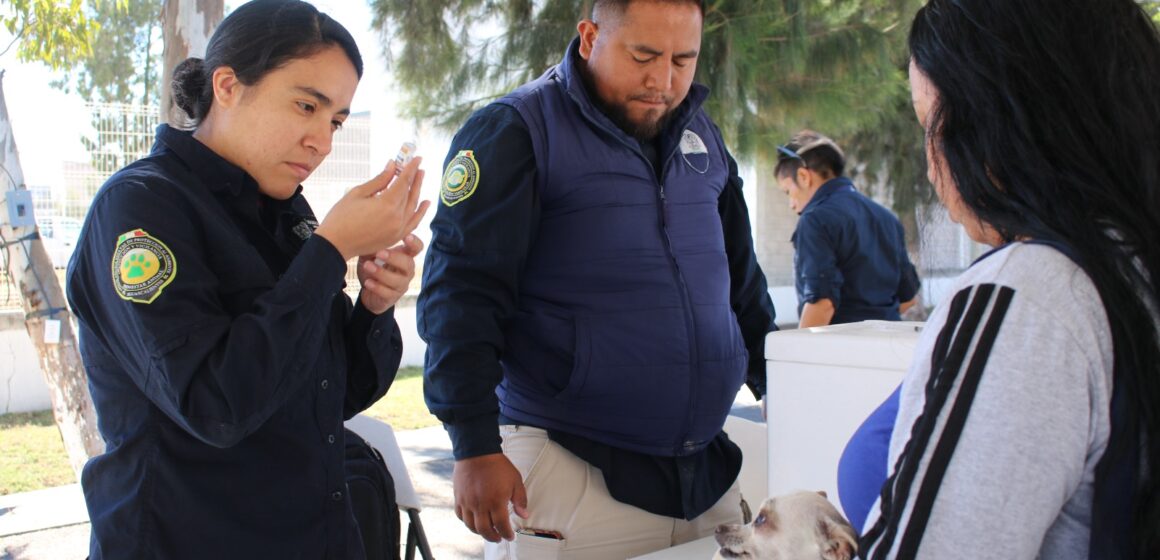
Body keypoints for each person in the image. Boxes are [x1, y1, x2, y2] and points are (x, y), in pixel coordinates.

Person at [64, 1, 429, 558]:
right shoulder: (141, 207)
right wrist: (329, 252)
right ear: (229, 86)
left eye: (334, 121)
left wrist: (374, 306)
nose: (322, 142)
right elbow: (216, 405)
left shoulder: (285, 214)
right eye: (306, 105)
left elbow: (336, 394)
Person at [417, 0, 778, 557]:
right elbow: (461, 295)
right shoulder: (516, 130)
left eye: (684, 60)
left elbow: (741, 282)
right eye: (644, 56)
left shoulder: (702, 137)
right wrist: (473, 445)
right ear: (588, 36)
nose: (663, 80)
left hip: (707, 477)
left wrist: (778, 389)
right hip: (570, 470)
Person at [852, 0, 1160, 558]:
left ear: (999, 125)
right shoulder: (1128, 265)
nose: (930, 165)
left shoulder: (1031, 294)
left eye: (932, 126)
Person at [775, 129, 920, 328]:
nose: (791, 204)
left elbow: (822, 303)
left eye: (787, 191)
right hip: (888, 349)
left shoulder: (814, 220)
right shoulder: (887, 218)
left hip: (840, 351)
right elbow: (908, 299)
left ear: (803, 176)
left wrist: (796, 354)